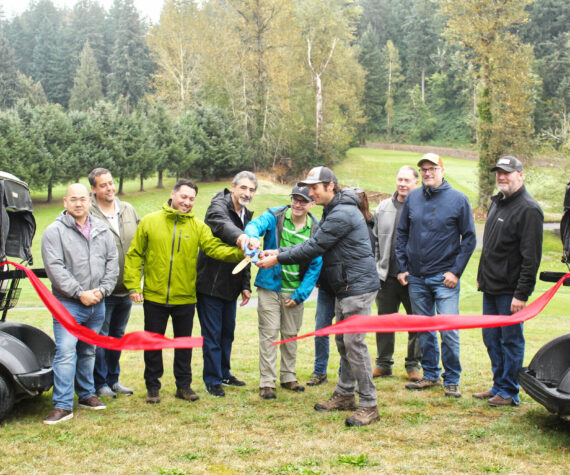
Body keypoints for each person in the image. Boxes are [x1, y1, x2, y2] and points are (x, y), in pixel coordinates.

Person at [256, 166, 381, 427]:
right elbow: (312, 242)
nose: (310, 192)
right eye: (308, 187)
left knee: (354, 345)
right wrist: (277, 250)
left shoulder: (342, 213)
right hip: (344, 286)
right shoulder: (333, 210)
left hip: (355, 287)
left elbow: (314, 247)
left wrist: (277, 257)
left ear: (330, 186)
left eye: (314, 188)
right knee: (343, 343)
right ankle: (345, 394)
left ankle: (368, 404)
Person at [123, 180, 244, 404]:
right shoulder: (150, 222)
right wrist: (133, 285)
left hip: (186, 297)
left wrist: (240, 252)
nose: (187, 202)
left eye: (191, 199)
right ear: (173, 194)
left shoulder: (198, 227)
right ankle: (152, 387)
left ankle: (184, 386)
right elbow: (134, 254)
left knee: (184, 344)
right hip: (155, 296)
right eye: (183, 197)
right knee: (153, 344)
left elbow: (214, 248)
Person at [396, 153, 476, 398]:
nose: (427, 173)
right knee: (424, 330)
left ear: (442, 170)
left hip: (445, 278)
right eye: (423, 170)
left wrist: (456, 271)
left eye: (432, 168)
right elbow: (402, 235)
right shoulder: (414, 198)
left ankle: (451, 379)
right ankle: (430, 374)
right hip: (417, 278)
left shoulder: (458, 200)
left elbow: (470, 239)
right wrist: (402, 267)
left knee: (448, 330)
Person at [41, 183, 119, 424]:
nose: (78, 203)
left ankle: (86, 394)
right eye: (73, 199)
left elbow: (112, 263)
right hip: (68, 305)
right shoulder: (54, 232)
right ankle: (63, 405)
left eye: (82, 199)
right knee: (65, 353)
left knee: (88, 351)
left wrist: (102, 290)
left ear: (89, 201)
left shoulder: (102, 230)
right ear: (65, 202)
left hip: (98, 303)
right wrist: (79, 293)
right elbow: (55, 268)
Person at [475, 156, 543, 407]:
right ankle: (498, 385)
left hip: (510, 292)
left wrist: (521, 295)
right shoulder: (497, 203)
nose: (502, 177)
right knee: (491, 339)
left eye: (507, 173)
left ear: (521, 175)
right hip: (490, 288)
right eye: (498, 173)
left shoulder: (529, 209)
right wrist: (482, 278)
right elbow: (490, 248)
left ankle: (509, 391)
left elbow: (531, 258)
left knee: (511, 340)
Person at [245, 185, 322, 399]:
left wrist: (300, 294)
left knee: (290, 335)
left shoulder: (316, 228)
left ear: (312, 203)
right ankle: (267, 382)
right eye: (295, 199)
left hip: (294, 290)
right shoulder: (275, 215)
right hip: (270, 286)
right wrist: (251, 237)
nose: (298, 204)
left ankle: (288, 377)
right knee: (269, 334)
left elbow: (316, 264)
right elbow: (255, 225)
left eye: (303, 200)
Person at [196, 171, 257, 397]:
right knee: (212, 335)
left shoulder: (246, 215)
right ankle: (212, 380)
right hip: (210, 285)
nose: (247, 193)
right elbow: (222, 225)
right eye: (243, 188)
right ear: (233, 186)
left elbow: (247, 256)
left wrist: (245, 285)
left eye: (251, 190)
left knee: (227, 333)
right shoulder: (217, 206)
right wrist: (242, 238)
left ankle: (224, 373)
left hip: (231, 286)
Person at [89, 168, 140, 399]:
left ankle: (114, 379)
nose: (109, 188)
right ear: (94, 189)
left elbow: (139, 243)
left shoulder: (128, 209)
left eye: (110, 183)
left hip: (125, 289)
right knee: (102, 338)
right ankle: (100, 383)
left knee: (117, 337)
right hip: (102, 290)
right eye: (103, 185)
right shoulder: (88, 214)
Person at [372, 166, 422, 381]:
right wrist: (376, 268)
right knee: (384, 322)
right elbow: (374, 241)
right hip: (386, 277)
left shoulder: (422, 207)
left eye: (407, 180)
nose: (402, 184)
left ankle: (413, 365)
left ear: (416, 183)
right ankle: (383, 364)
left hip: (414, 279)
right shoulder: (383, 207)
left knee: (416, 323)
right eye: (400, 179)